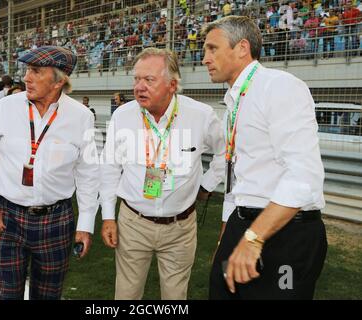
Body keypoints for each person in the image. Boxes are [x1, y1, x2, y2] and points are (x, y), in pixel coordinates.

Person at [202, 16, 327, 300]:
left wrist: (254, 237)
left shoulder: (279, 86)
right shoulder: (236, 99)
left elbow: (303, 175)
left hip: (286, 234)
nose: (204, 58)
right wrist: (229, 232)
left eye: (212, 48)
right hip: (243, 223)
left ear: (242, 48)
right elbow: (240, 172)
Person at [0, 46, 100, 300]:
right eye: (27, 70)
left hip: (56, 221)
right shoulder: (7, 107)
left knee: (49, 296)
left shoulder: (81, 117)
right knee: (6, 295)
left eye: (36, 71)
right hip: (6, 217)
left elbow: (87, 173)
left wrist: (85, 224)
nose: (26, 78)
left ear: (58, 81)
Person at [100, 47, 226, 300]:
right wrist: (108, 217)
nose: (139, 87)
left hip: (180, 227)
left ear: (172, 84)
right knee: (126, 295)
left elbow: (225, 152)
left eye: (149, 80)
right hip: (133, 223)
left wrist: (207, 185)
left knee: (175, 297)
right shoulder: (123, 116)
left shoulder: (200, 115)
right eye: (136, 79)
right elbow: (110, 167)